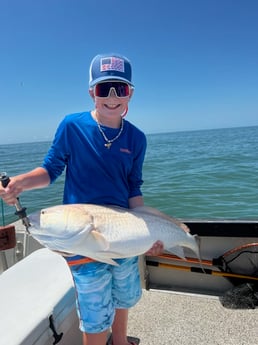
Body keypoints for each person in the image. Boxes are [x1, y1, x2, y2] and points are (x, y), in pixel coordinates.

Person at [0, 53, 163, 345]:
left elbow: (133, 188)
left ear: (131, 94)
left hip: (124, 231)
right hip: (81, 235)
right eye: (104, 89)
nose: (112, 97)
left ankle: (122, 341)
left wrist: (148, 230)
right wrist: (20, 183)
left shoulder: (137, 138)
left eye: (120, 89)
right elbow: (51, 170)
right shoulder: (71, 126)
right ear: (91, 92)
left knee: (124, 294)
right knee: (94, 310)